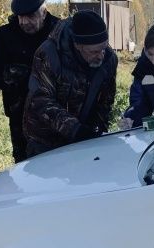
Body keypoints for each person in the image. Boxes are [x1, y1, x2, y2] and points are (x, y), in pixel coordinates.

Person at [23, 10, 117, 158]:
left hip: (83, 138)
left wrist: (97, 130)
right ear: (77, 45)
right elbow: (41, 101)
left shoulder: (109, 59)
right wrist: (74, 129)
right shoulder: (48, 54)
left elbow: (106, 100)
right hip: (45, 141)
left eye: (104, 48)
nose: (101, 56)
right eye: (94, 52)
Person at [0, 0, 60, 162]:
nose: (25, 22)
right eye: (20, 17)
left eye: (30, 16)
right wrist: (20, 74)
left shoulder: (60, 31)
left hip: (59, 116)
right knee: (25, 168)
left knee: (61, 165)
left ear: (44, 12)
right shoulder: (4, 35)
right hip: (21, 117)